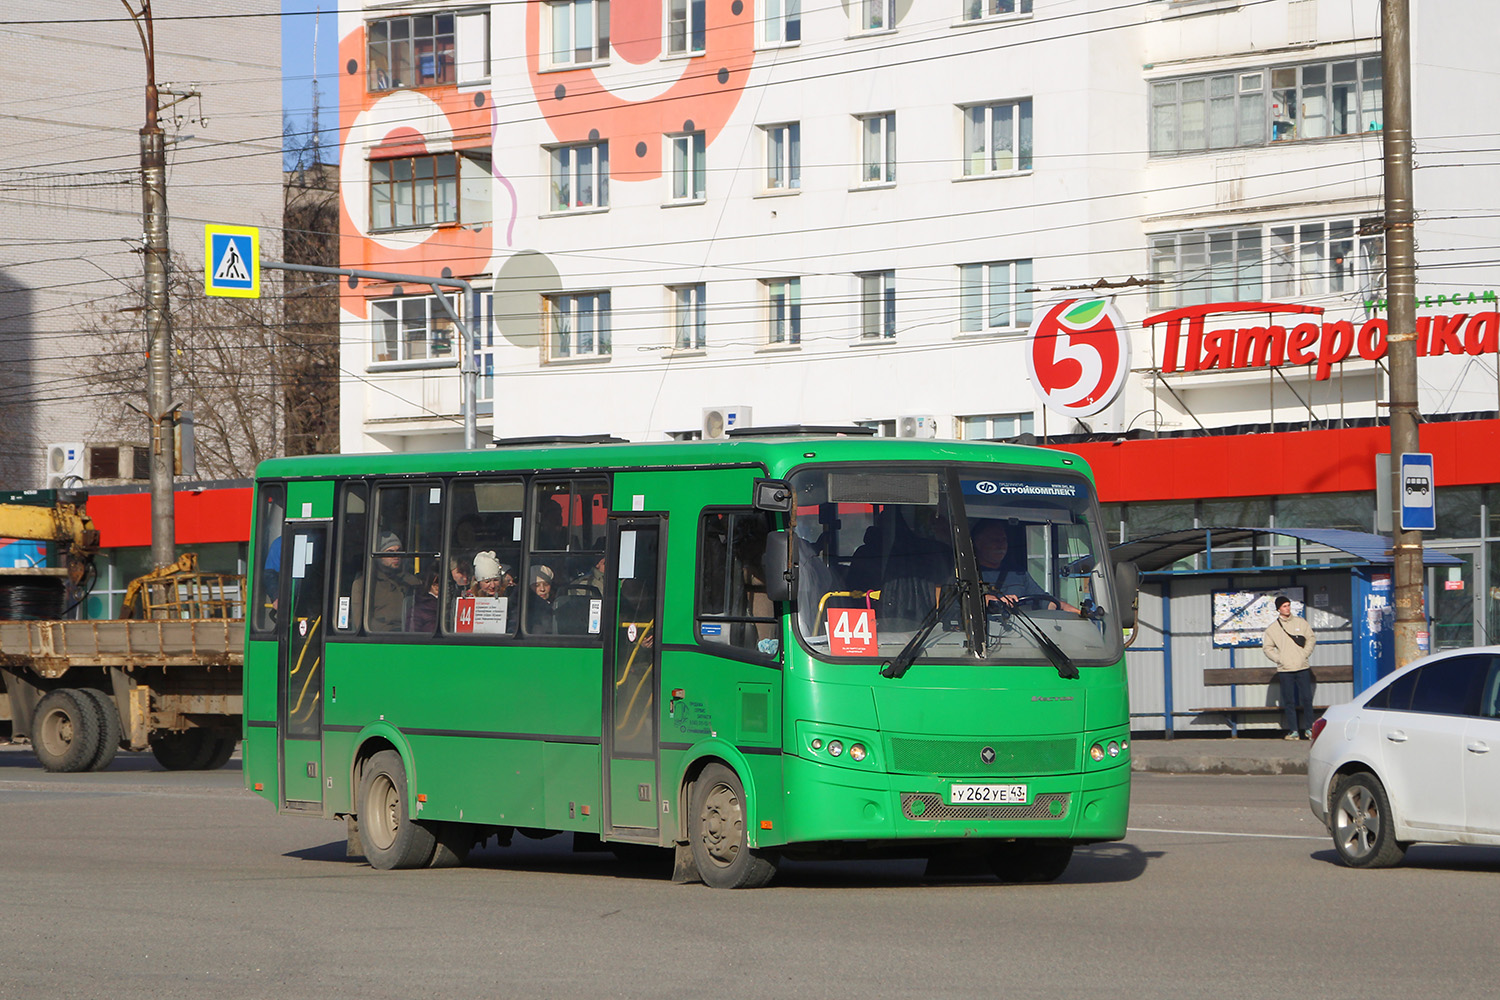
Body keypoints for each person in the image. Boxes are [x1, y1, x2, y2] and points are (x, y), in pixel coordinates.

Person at [970, 518, 1076, 613]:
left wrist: (1064, 607)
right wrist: (990, 600)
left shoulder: (1018, 573)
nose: (1001, 545)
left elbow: (1043, 600)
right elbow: (962, 602)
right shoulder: (967, 573)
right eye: (995, 540)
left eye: (1004, 540)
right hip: (984, 631)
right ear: (979, 543)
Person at [1263, 594, 1317, 739]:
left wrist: (1304, 654)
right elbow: (1267, 648)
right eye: (1284, 606)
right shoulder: (1273, 628)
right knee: (1289, 701)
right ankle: (1293, 731)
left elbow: (1311, 638)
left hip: (1302, 667)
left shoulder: (1301, 622)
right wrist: (1280, 659)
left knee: (1307, 698)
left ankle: (1309, 728)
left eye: (1288, 605)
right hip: (1285, 670)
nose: (1287, 609)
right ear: (1278, 609)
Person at [350, 531, 420, 632]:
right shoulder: (365, 584)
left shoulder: (412, 582)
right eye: (390, 552)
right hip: (382, 640)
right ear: (378, 556)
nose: (396, 556)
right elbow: (359, 622)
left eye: (399, 551)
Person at [526, 565, 556, 634]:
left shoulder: (557, 606)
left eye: (546, 584)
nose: (542, 589)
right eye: (536, 585)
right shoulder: (526, 609)